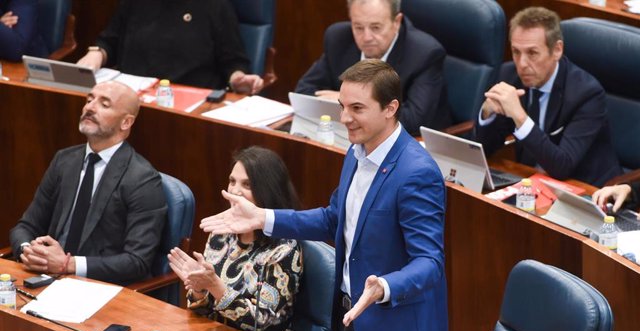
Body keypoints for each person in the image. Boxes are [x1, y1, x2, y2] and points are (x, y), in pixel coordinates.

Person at [201, 60, 447, 331]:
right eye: (342, 107)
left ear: (391, 108)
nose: (345, 118)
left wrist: (386, 286)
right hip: (349, 320)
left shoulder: (416, 172)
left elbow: (430, 261)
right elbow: (334, 219)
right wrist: (263, 217)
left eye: (357, 108)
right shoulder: (356, 152)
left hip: (393, 329)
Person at [10, 81, 167, 286]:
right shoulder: (64, 160)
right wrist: (28, 250)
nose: (90, 107)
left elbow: (137, 261)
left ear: (126, 122)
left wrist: (69, 264)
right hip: (46, 277)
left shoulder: (142, 179)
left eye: (104, 104)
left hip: (100, 287)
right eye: (89, 99)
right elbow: (26, 226)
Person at [168, 146, 303, 331]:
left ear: (267, 189)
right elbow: (202, 312)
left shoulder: (284, 248)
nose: (234, 191)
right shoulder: (221, 231)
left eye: (247, 184)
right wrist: (198, 289)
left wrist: (215, 286)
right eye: (232, 181)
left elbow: (262, 323)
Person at [474, 7, 621, 187]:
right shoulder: (510, 75)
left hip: (585, 190)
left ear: (557, 50)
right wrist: (487, 113)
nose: (522, 64)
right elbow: (485, 149)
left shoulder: (587, 94)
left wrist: (520, 117)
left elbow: (562, 166)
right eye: (516, 52)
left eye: (532, 53)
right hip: (530, 183)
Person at [295, 0, 451, 134]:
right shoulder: (338, 38)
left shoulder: (424, 54)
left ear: (396, 22)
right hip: (349, 136)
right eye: (358, 27)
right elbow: (303, 92)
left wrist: (347, 102)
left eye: (376, 27)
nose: (367, 37)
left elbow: (413, 120)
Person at [76, 0, 263, 94]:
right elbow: (110, 40)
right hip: (131, 100)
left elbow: (233, 61)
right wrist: (96, 54)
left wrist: (237, 78)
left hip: (187, 107)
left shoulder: (215, 5)